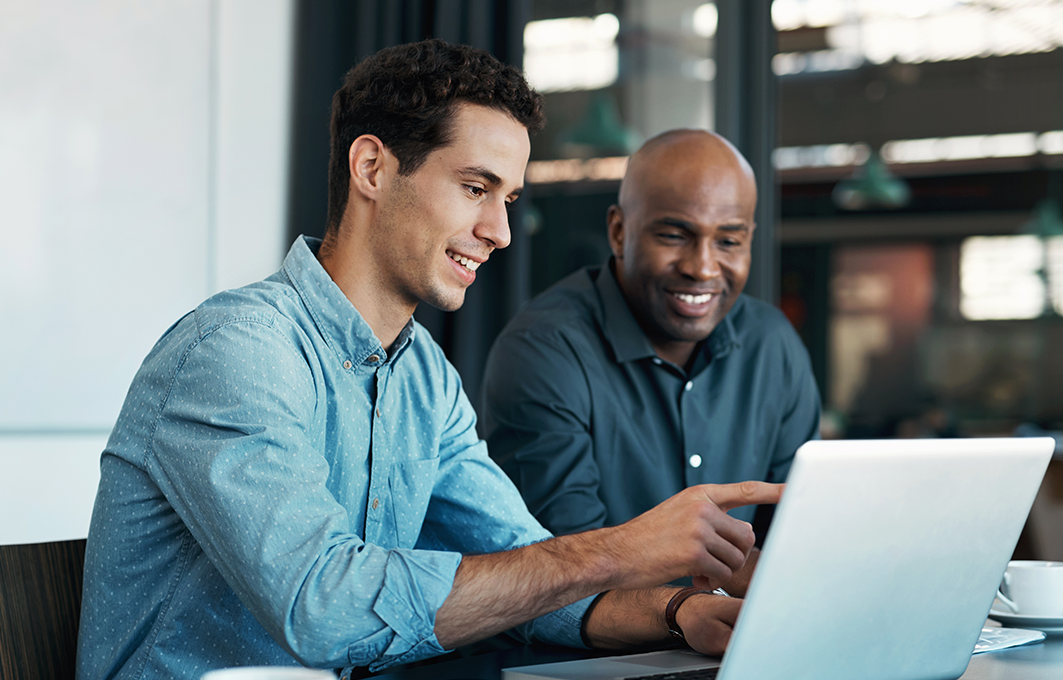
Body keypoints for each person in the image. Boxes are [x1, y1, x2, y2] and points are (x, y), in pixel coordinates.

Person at [77, 41, 778, 679]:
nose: (499, 232)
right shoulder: (238, 352)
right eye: (476, 188)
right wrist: (619, 549)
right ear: (373, 168)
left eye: (508, 199)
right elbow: (325, 610)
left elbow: (530, 583)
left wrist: (677, 612)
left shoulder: (425, 381)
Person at [480, 129, 821, 562]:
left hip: (743, 627)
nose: (702, 267)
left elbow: (799, 531)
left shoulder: (772, 343)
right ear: (620, 232)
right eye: (675, 236)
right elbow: (563, 564)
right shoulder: (543, 349)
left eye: (729, 241)